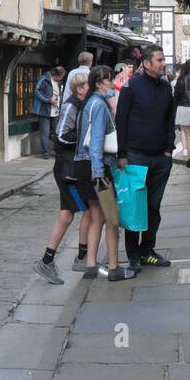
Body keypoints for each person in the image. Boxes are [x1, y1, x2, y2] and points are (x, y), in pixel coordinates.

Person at [73, 65, 138, 281]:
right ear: (100, 83)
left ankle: (91, 265)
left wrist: (120, 80)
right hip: (97, 167)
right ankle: (114, 267)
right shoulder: (99, 106)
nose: (112, 83)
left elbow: (112, 92)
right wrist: (99, 172)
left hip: (83, 165)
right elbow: (98, 140)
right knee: (112, 218)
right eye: (109, 80)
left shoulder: (89, 102)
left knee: (96, 216)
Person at [115, 44, 176, 268]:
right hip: (135, 156)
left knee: (153, 207)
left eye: (163, 60)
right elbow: (121, 121)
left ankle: (148, 250)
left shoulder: (166, 87)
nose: (163, 64)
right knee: (135, 207)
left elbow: (170, 120)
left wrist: (169, 150)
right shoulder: (132, 87)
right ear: (147, 63)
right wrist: (122, 155)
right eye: (159, 60)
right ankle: (133, 255)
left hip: (160, 157)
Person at [34, 74, 92, 283]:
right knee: (85, 211)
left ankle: (50, 261)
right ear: (79, 89)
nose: (90, 88)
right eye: (88, 86)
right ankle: (79, 258)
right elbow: (60, 136)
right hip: (67, 169)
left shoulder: (82, 105)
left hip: (71, 168)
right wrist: (86, 138)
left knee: (68, 215)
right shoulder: (71, 107)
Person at [33, 65, 65, 157]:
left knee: (56, 131)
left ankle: (55, 150)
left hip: (56, 111)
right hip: (44, 110)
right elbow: (37, 91)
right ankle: (45, 152)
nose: (61, 79)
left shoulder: (59, 82)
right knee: (45, 132)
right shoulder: (44, 79)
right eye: (61, 77)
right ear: (56, 75)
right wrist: (48, 100)